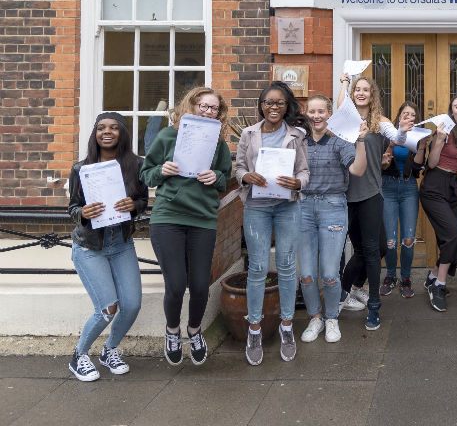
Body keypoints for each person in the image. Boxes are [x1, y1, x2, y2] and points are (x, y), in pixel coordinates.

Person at [140, 87, 232, 366]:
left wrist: (214, 175)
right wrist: (161, 170)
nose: (207, 111)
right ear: (190, 106)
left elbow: (225, 178)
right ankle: (172, 331)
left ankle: (194, 329)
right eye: (203, 106)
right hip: (168, 216)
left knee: (201, 284)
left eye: (213, 108)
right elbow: (146, 175)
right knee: (177, 283)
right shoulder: (168, 136)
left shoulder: (218, 144)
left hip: (202, 218)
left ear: (219, 114)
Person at [66, 113, 147, 381]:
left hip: (121, 244)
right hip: (91, 248)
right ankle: (79, 356)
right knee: (107, 309)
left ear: (123, 133)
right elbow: (73, 208)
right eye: (101, 128)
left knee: (132, 304)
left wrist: (133, 206)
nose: (107, 132)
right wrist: (84, 213)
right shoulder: (81, 168)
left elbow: (143, 200)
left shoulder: (135, 165)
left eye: (113, 127)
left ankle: (109, 350)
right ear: (95, 133)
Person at [234, 81, 310, 365]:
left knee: (288, 265)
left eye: (279, 103)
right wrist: (246, 177)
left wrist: (298, 183)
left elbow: (304, 171)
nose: (274, 107)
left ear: (287, 106)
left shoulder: (296, 136)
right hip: (257, 207)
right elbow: (239, 166)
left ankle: (287, 325)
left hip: (287, 206)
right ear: (261, 106)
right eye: (269, 102)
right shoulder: (248, 133)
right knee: (258, 267)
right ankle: (254, 328)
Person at [337, 74, 413, 330]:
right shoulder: (345, 119)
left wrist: (402, 130)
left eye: (365, 90)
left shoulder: (380, 123)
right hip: (344, 195)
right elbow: (338, 108)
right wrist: (344, 84)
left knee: (374, 249)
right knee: (362, 250)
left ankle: (373, 307)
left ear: (372, 94)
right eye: (357, 89)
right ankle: (343, 294)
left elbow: (400, 140)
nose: (361, 93)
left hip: (370, 192)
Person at [297, 94, 367, 345]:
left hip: (333, 206)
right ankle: (315, 317)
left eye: (321, 112)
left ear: (330, 114)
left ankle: (331, 318)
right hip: (302, 207)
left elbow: (357, 170)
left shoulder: (340, 141)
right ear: (307, 113)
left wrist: (360, 140)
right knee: (306, 274)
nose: (316, 116)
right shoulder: (299, 141)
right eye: (312, 112)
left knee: (329, 274)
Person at [421, 95, 457, 312]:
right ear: (451, 111)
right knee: (452, 235)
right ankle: (439, 285)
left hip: (452, 185)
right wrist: (438, 140)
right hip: (434, 187)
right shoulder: (443, 132)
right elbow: (432, 163)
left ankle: (433, 275)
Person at [379, 101, 427, 298]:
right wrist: (390, 145)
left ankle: (406, 278)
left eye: (413, 115)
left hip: (408, 187)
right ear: (399, 116)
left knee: (408, 239)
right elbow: (381, 165)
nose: (409, 117)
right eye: (405, 114)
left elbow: (417, 168)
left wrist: (422, 147)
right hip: (387, 187)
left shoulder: (418, 135)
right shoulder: (387, 133)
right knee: (390, 240)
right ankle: (390, 275)